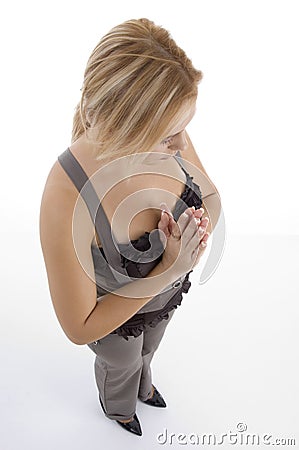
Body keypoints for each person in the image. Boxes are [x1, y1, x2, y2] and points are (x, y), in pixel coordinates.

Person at [39, 18, 221, 437]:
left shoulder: (169, 134)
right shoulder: (67, 196)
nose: (181, 146)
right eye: (167, 137)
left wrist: (196, 228)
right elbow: (79, 327)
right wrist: (170, 269)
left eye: (182, 130)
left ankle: (145, 381)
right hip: (114, 321)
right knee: (121, 358)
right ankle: (118, 406)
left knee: (150, 347)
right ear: (124, 129)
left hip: (167, 297)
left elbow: (210, 195)